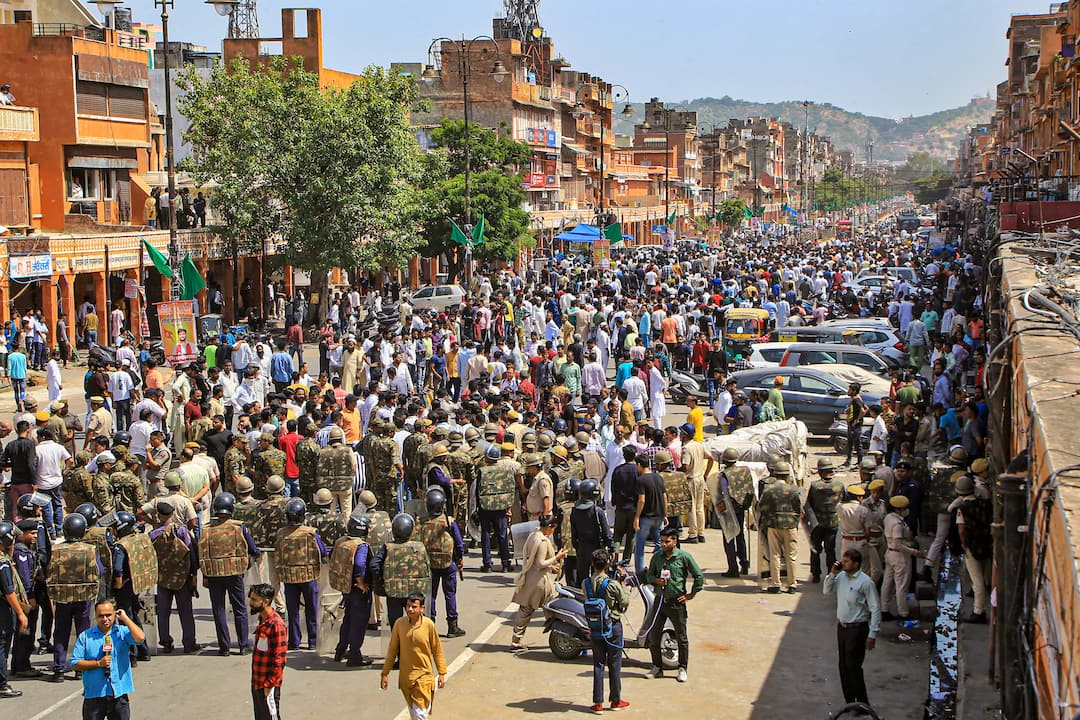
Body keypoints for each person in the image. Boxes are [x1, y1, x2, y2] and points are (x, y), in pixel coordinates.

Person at [70, 599, 146, 720]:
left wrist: (125, 618)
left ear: (114, 614)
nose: (105, 619)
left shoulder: (122, 632)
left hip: (118, 694)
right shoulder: (85, 636)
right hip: (94, 695)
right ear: (96, 616)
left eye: (108, 615)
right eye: (101, 616)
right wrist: (98, 663)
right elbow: (75, 663)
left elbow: (140, 637)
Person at [823, 549, 881, 707]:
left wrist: (872, 634)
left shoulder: (865, 582)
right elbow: (827, 590)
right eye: (843, 560)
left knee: (853, 666)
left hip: (857, 629)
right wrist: (832, 574)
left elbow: (875, 608)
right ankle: (849, 702)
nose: (843, 563)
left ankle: (862, 703)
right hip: (842, 627)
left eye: (847, 561)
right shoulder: (841, 577)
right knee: (843, 666)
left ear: (856, 564)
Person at [645, 525, 702, 682]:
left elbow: (699, 576)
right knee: (654, 636)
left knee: (681, 637)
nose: (663, 544)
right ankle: (657, 667)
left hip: (676, 602)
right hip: (660, 601)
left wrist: (691, 595)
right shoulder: (657, 557)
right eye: (662, 541)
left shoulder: (684, 557)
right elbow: (649, 576)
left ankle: (682, 668)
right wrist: (656, 580)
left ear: (674, 542)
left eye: (667, 542)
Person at [381, 593, 448, 720]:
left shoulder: (428, 625)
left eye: (414, 607)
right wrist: (385, 673)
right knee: (415, 713)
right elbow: (392, 650)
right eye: (408, 606)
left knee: (420, 714)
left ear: (422, 608)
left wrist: (442, 673)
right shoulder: (399, 624)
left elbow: (437, 650)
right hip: (406, 679)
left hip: (424, 677)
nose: (410, 609)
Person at [582, 548, 631, 714]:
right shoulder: (612, 584)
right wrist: (623, 585)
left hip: (595, 627)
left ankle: (598, 703)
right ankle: (616, 700)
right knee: (615, 663)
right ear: (607, 564)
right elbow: (624, 602)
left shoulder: (586, 583)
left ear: (592, 564)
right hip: (613, 627)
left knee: (598, 663)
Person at [510, 514, 566, 651]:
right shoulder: (542, 542)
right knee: (551, 609)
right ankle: (561, 636)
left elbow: (535, 561)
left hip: (530, 578)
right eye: (553, 529)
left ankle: (516, 640)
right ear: (549, 527)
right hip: (540, 582)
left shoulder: (533, 536)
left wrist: (550, 566)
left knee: (525, 610)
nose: (552, 532)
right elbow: (540, 563)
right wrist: (557, 557)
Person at [248, 582, 287, 720]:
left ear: (265, 602)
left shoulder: (276, 625)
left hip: (268, 685)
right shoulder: (263, 620)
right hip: (257, 681)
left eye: (254, 600)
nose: (250, 603)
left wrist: (269, 685)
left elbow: (280, 660)